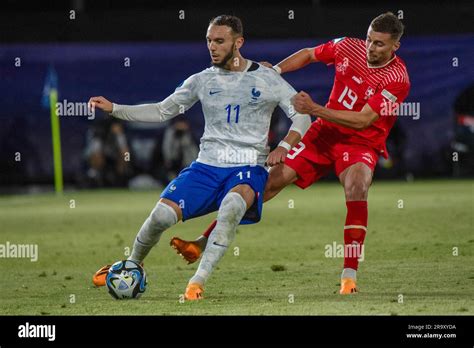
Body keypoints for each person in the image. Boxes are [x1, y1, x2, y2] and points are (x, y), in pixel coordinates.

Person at [171, 12, 411, 295]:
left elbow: (363, 120)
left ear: (395, 46)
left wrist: (315, 109)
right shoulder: (349, 46)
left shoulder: (398, 78)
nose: (370, 48)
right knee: (268, 183)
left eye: (379, 44)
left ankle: (348, 277)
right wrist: (277, 72)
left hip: (360, 142)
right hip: (323, 134)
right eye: (370, 39)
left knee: (357, 186)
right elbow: (309, 54)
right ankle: (202, 242)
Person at [89, 15, 311, 300]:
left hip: (248, 167)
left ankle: (197, 282)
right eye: (209, 41)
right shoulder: (202, 80)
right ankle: (132, 263)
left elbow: (301, 115)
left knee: (232, 206)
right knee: (160, 216)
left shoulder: (266, 78)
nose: (212, 47)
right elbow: (161, 111)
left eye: (219, 41)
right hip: (206, 167)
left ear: (238, 42)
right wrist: (115, 108)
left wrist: (285, 145)